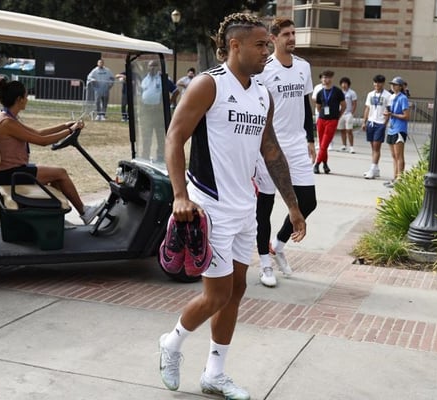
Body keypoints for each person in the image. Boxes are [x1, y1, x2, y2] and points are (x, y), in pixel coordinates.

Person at [158, 13, 306, 400]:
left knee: (237, 290)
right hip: (210, 205)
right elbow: (174, 137)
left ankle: (214, 373)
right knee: (217, 295)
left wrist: (292, 206)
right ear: (235, 46)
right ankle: (171, 343)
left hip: (245, 207)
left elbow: (271, 151)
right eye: (260, 45)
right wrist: (179, 195)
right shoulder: (209, 85)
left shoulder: (262, 94)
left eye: (268, 44)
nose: (267, 51)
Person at [253, 17, 316, 287]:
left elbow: (306, 105)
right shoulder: (264, 69)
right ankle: (264, 263)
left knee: (308, 201)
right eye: (286, 34)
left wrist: (311, 139)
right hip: (269, 145)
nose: (292, 38)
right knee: (264, 206)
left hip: (297, 144)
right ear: (273, 38)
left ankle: (278, 245)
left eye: (294, 33)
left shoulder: (303, 66)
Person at [0, 78, 105, 225]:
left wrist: (65, 126)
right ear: (19, 99)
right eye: (26, 96)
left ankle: (55, 219)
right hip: (10, 175)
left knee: (56, 177)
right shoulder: (7, 123)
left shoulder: (7, 117)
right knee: (61, 173)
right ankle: (84, 212)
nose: (27, 100)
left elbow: (38, 132)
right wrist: (70, 130)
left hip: (12, 171)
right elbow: (42, 141)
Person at [139, 60, 178, 161]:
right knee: (146, 135)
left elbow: (176, 91)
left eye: (154, 66)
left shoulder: (163, 79)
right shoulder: (145, 79)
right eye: (150, 66)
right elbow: (141, 93)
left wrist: (168, 103)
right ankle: (145, 155)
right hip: (147, 111)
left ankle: (160, 157)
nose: (152, 68)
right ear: (148, 67)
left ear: (158, 67)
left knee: (160, 135)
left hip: (159, 112)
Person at [313, 70, 345, 174]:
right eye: (323, 77)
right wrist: (322, 114)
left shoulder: (337, 91)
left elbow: (343, 105)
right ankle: (325, 164)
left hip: (332, 120)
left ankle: (317, 163)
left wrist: (338, 116)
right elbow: (318, 107)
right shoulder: (320, 92)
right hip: (321, 120)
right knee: (322, 144)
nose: (325, 80)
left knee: (324, 144)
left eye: (327, 77)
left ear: (331, 79)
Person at [362, 74, 391, 180]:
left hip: (380, 123)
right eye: (375, 83)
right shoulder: (370, 94)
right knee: (373, 147)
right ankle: (376, 169)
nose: (377, 85)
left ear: (383, 83)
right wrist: (364, 122)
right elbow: (367, 108)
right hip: (371, 122)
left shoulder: (387, 95)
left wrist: (385, 123)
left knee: (376, 147)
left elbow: (389, 110)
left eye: (379, 83)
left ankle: (372, 169)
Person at [383, 76, 410, 188]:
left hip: (399, 128)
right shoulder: (391, 97)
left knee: (399, 155)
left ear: (400, 86)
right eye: (392, 84)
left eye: (396, 85)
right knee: (394, 155)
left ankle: (400, 178)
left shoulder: (403, 98)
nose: (393, 86)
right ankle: (394, 177)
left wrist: (392, 114)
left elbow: (406, 116)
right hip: (392, 128)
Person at [336, 76, 357, 153]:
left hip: (348, 114)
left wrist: (352, 113)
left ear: (348, 84)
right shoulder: (339, 92)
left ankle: (351, 147)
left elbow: (354, 104)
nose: (344, 85)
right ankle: (344, 145)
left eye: (345, 83)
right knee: (342, 130)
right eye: (342, 83)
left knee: (349, 130)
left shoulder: (352, 93)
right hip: (341, 113)